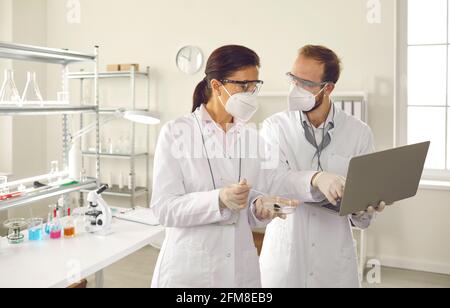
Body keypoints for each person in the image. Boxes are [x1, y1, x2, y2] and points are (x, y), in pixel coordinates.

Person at [151, 45, 321, 288]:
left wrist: (259, 206)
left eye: (254, 85)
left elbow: (252, 202)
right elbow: (164, 208)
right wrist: (218, 199)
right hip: (189, 272)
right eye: (243, 85)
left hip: (239, 272)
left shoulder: (251, 137)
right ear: (216, 85)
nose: (250, 93)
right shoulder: (176, 133)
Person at [259, 45, 389, 288]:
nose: (295, 88)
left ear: (328, 88)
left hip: (334, 259)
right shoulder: (274, 127)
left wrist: (364, 209)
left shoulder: (359, 133)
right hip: (286, 254)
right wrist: (315, 178)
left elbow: (363, 220)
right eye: (292, 78)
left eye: (305, 83)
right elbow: (271, 182)